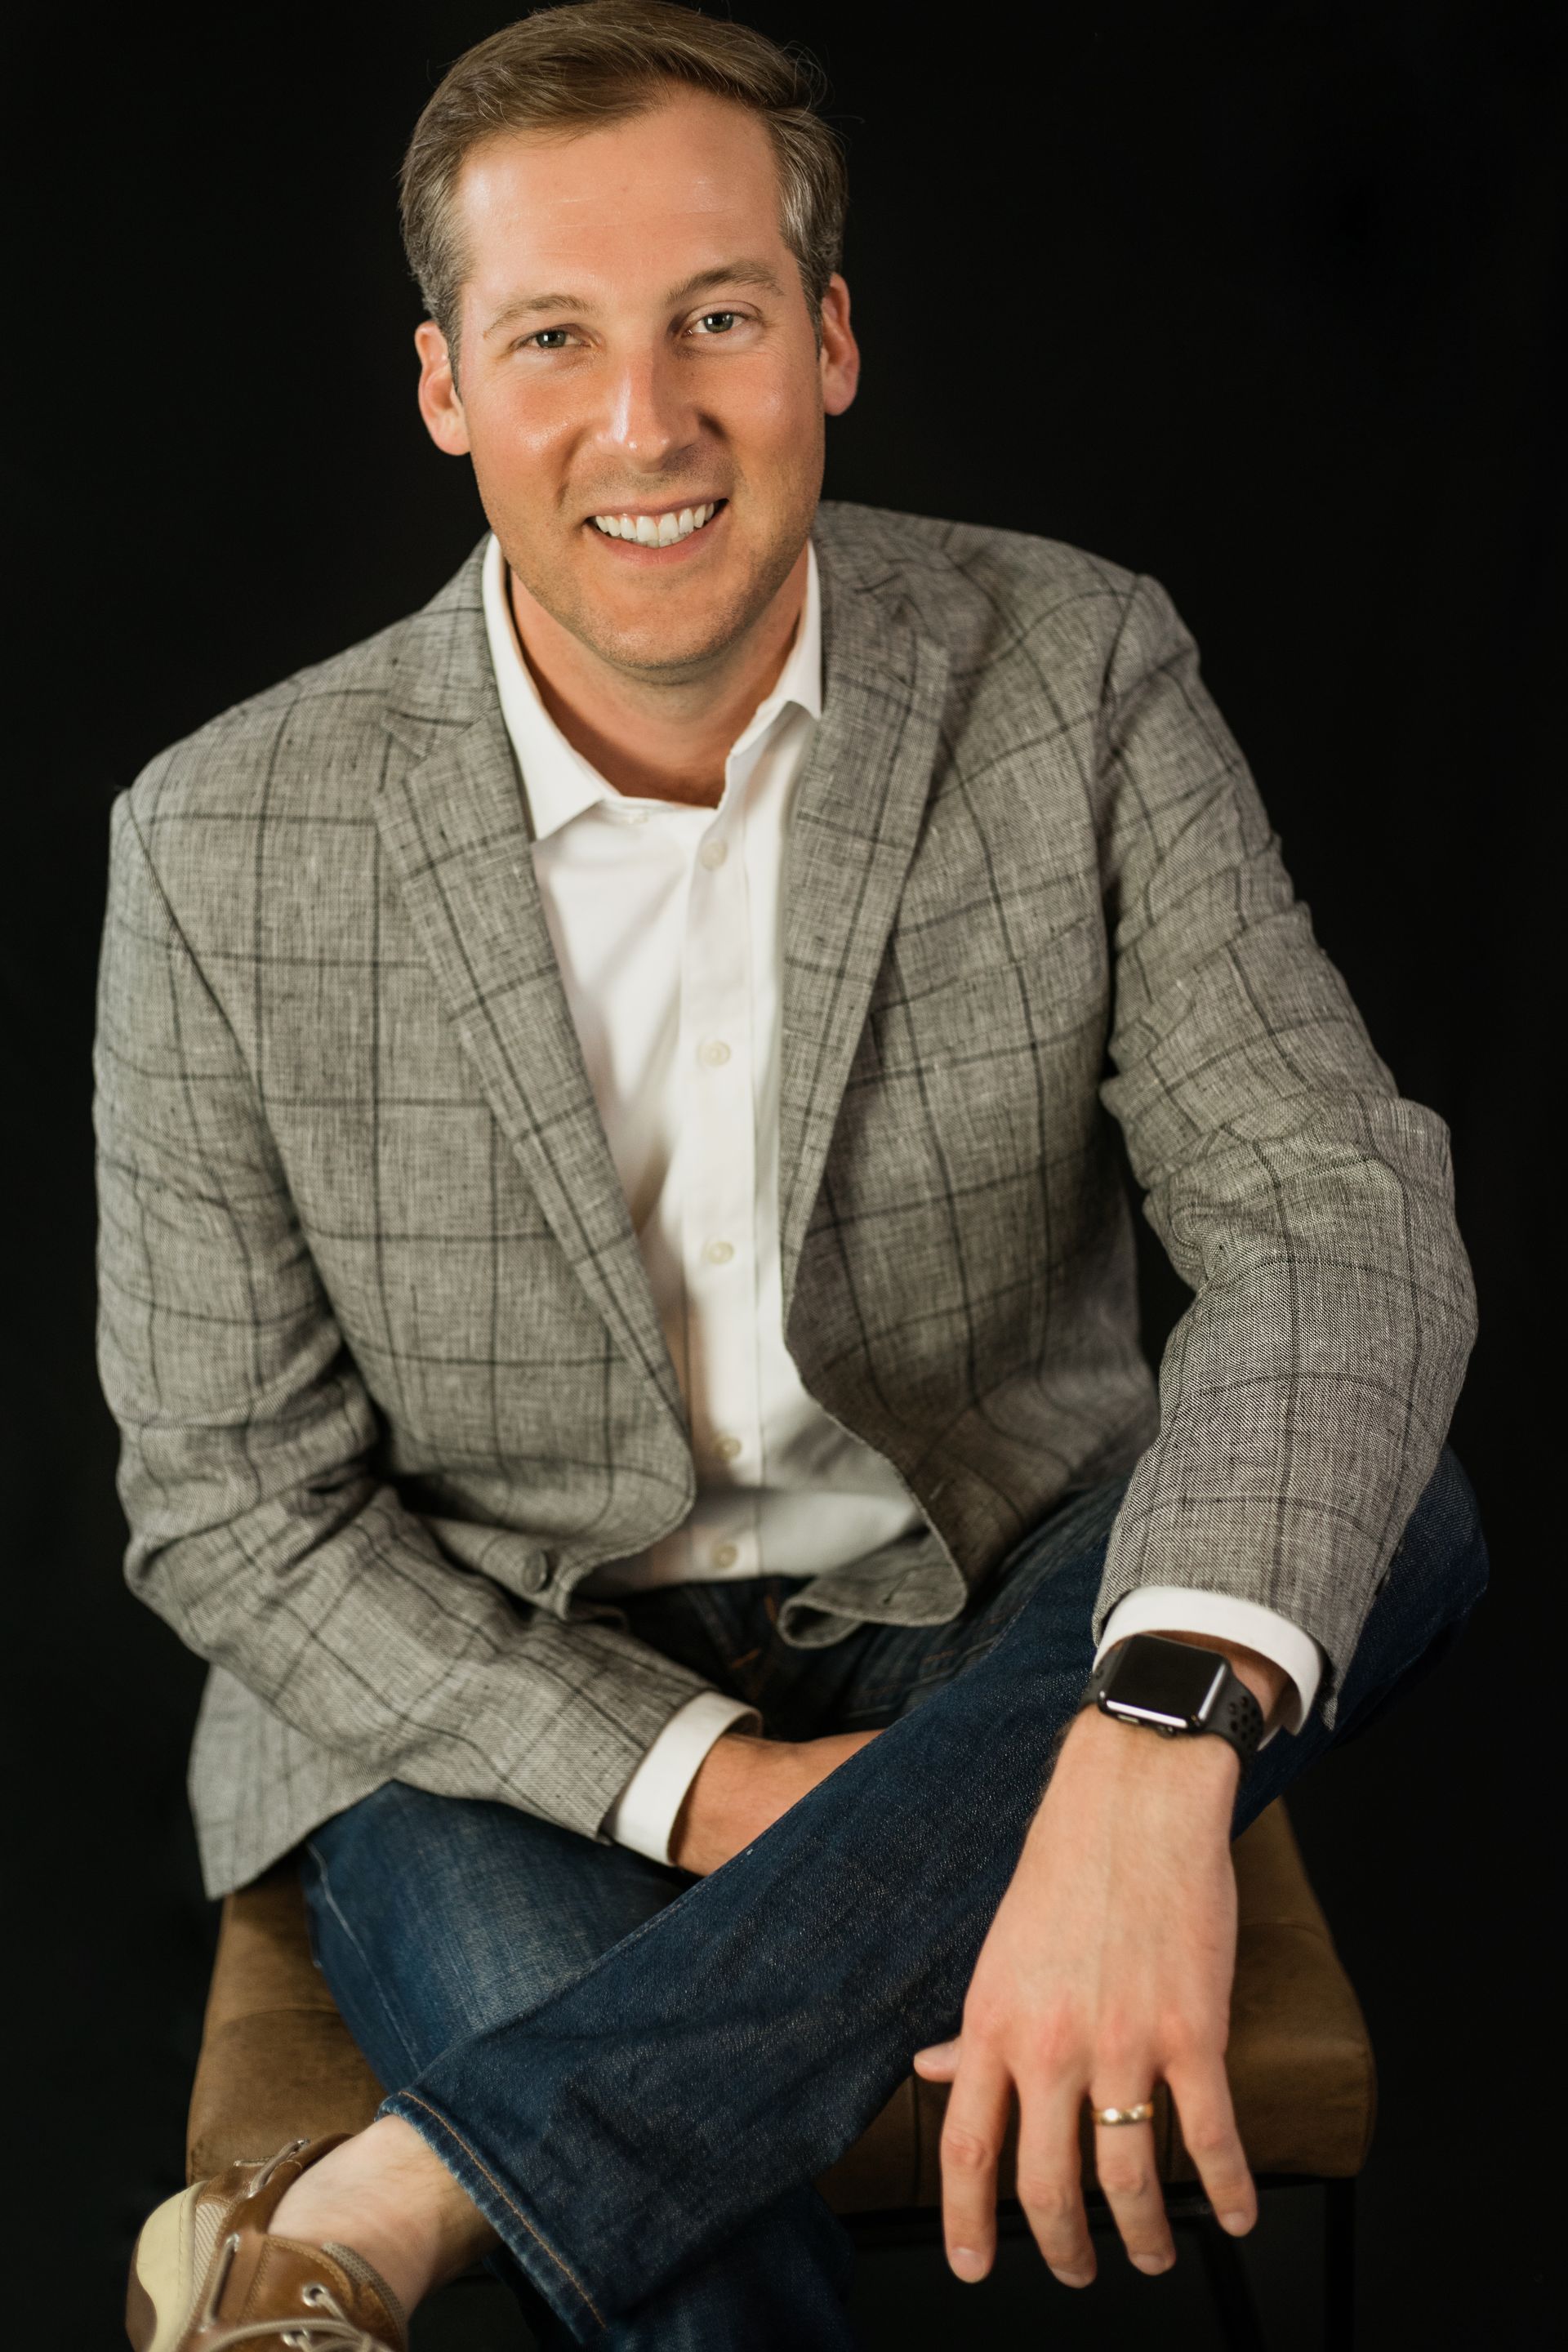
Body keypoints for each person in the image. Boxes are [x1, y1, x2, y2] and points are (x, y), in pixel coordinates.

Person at [96, 6, 1487, 2348]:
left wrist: (1145, 1763)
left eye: (717, 319)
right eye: (554, 340)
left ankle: (393, 2210)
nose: (646, 423)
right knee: (692, 2208)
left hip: (992, 1599)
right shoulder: (224, 839)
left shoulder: (1076, 668)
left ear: (829, 338)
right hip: (498, 1695)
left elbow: (1329, 1215)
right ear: (447, 387)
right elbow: (233, 1505)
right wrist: (712, 1786)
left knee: (1393, 1504)